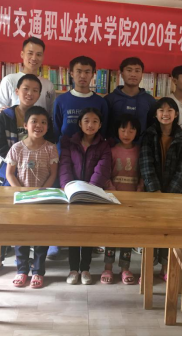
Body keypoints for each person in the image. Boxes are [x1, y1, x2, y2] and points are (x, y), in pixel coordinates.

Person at [49, 56, 109, 260]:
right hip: (66, 157)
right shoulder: (61, 100)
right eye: (79, 71)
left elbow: (104, 131)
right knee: (64, 199)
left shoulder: (100, 102)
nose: (83, 76)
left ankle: (89, 241)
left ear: (94, 74)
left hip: (92, 156)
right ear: (71, 74)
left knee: (89, 200)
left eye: (87, 72)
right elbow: (56, 130)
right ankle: (57, 241)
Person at [5, 106, 59, 289]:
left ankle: (38, 271)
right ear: (25, 125)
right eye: (34, 121)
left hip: (43, 199)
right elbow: (10, 173)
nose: (39, 125)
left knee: (41, 236)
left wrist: (43, 192)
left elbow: (53, 174)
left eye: (43, 122)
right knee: (21, 235)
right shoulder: (17, 148)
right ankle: (22, 270)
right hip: (22, 199)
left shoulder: (51, 148)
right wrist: (21, 192)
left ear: (48, 126)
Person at [140, 97, 182, 280]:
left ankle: (165, 267)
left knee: (169, 232)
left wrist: (170, 195)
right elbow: (145, 163)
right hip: (152, 194)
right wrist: (155, 191)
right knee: (150, 232)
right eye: (161, 110)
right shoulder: (148, 135)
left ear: (176, 114)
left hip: (174, 195)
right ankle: (147, 269)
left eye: (170, 110)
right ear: (155, 114)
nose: (165, 114)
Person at [59, 108, 112, 286]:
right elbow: (65, 166)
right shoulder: (69, 143)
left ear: (100, 125)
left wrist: (89, 191)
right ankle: (73, 269)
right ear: (80, 123)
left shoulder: (104, 145)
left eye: (95, 121)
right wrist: (69, 188)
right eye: (86, 121)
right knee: (73, 232)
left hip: (91, 194)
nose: (90, 125)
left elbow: (102, 169)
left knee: (88, 232)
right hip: (72, 194)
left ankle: (86, 269)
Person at [101, 114, 144, 286]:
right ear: (117, 130)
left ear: (137, 132)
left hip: (133, 202)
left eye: (131, 130)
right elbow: (105, 175)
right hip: (114, 200)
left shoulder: (140, 151)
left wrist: (139, 191)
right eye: (123, 129)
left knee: (128, 236)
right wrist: (113, 193)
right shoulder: (111, 151)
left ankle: (125, 268)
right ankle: (108, 268)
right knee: (111, 235)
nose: (127, 134)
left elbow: (143, 174)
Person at [0, 74, 54, 186]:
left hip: (35, 173)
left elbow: (49, 142)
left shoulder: (43, 117)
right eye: (26, 89)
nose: (30, 93)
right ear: (17, 91)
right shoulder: (6, 115)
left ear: (39, 95)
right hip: (8, 172)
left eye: (35, 90)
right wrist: (17, 163)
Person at [0, 37, 56, 119]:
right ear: (22, 54)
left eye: (38, 54)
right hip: (13, 126)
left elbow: (52, 115)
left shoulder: (49, 85)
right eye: (30, 53)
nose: (34, 58)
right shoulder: (9, 80)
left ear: (43, 57)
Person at [105, 57, 156, 138]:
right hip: (114, 145)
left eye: (137, 71)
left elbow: (152, 127)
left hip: (141, 145)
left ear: (142, 74)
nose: (133, 74)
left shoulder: (150, 101)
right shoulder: (109, 99)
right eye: (129, 70)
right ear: (121, 74)